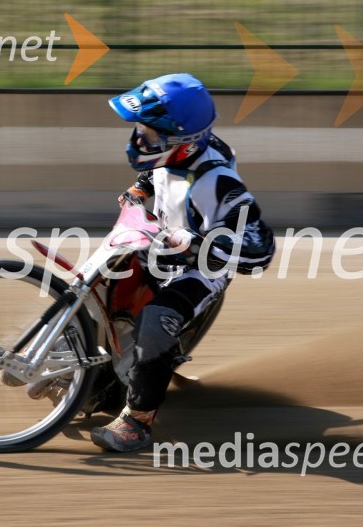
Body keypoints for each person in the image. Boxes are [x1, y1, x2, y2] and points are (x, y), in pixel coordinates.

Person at [89, 73, 275, 452]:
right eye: (141, 128)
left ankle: (137, 423)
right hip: (157, 246)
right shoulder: (173, 152)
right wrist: (142, 187)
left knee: (156, 320)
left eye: (151, 133)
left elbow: (261, 249)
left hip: (200, 270)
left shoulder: (218, 183)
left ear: (184, 142)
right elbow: (158, 170)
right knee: (97, 279)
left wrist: (200, 242)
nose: (141, 138)